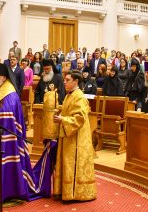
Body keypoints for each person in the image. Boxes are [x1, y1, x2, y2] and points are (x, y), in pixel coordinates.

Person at [0, 63, 48, 203]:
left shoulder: (10, 93)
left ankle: (2, 192)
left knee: (1, 163)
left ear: (4, 77)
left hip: (5, 139)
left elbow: (7, 114)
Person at [53, 70, 97, 201]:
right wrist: (60, 109)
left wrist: (63, 119)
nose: (64, 82)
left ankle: (75, 193)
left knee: (73, 163)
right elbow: (70, 109)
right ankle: (64, 191)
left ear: (76, 81)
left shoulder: (79, 96)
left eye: (68, 80)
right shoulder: (69, 95)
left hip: (76, 138)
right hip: (69, 135)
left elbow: (79, 118)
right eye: (64, 80)